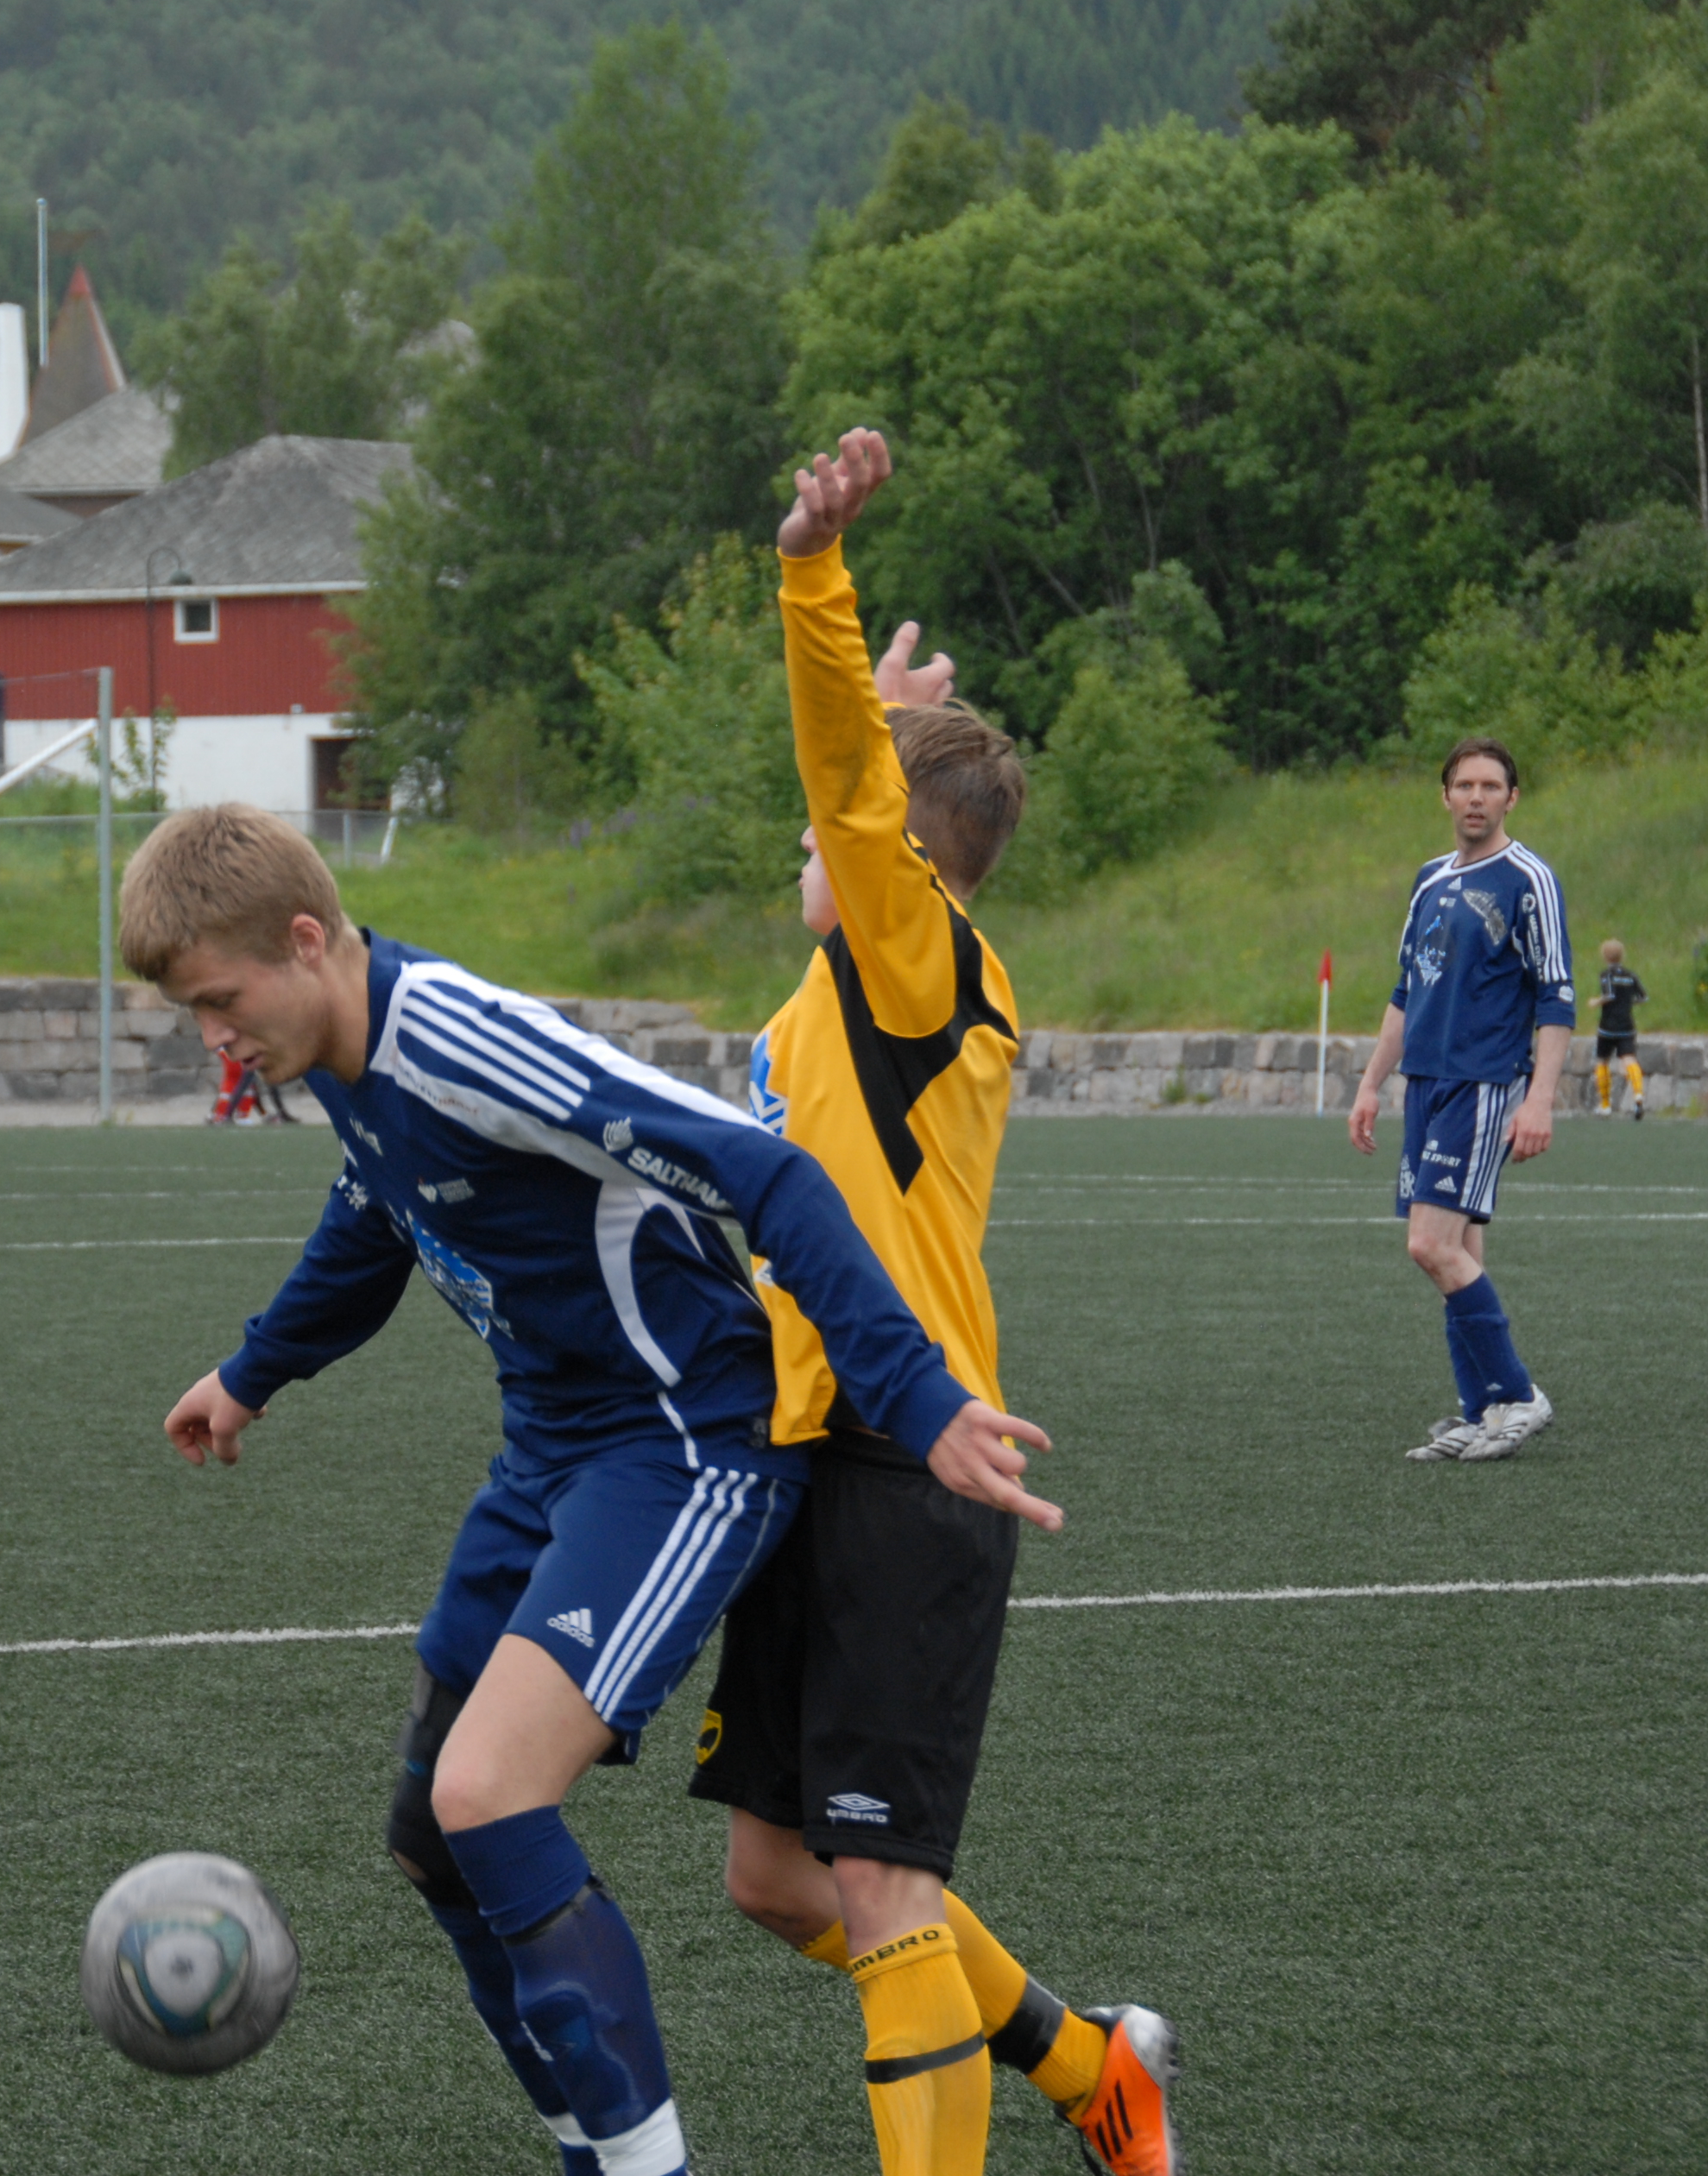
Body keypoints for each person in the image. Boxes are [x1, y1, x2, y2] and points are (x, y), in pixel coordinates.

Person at [137, 803, 1056, 2176]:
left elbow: (768, 1171)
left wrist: (917, 1396)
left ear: (309, 942)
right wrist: (254, 1370)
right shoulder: (332, 1050)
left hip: (687, 1440)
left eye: (221, 1001)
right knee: (432, 1833)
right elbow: (376, 1204)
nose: (214, 1036)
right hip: (554, 1445)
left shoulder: (462, 1039)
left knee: (489, 1795)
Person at [689, 427, 1176, 2176]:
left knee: (886, 1891)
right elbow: (852, 785)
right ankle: (1093, 2069)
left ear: (891, 848)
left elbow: (841, 784)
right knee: (775, 1877)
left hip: (915, 1461)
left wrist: (812, 575)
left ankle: (1065, 2094)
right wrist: (896, 719)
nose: (804, 843)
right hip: (809, 1460)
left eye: (833, 825)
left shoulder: (915, 965)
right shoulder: (844, 987)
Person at [1346, 740, 1574, 1462]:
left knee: (1431, 1245)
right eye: (1464, 785)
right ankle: (1482, 1411)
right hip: (1426, 1083)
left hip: (1482, 1083)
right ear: (1445, 796)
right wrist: (1371, 1083)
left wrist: (1539, 1099)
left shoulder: (1528, 879)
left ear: (1513, 797)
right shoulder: (1429, 879)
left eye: (1491, 786)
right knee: (1460, 1249)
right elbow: (1406, 990)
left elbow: (1556, 996)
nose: (1477, 797)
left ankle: (1519, 1394)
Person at [1590, 938, 1649, 1119]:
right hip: (1626, 1026)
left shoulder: (1606, 975)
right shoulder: (1631, 976)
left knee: (1602, 1061)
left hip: (1608, 1026)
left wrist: (1596, 1001)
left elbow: (1609, 995)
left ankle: (1605, 1104)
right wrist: (1627, 1002)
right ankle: (1638, 1095)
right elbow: (1643, 997)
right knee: (1629, 1059)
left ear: (1604, 956)